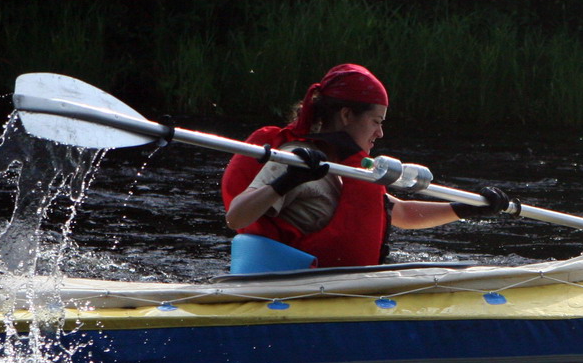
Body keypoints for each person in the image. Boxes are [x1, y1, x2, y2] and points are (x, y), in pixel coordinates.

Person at [221, 64, 517, 270]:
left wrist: (466, 209)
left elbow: (400, 213)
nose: (380, 133)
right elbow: (236, 217)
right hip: (296, 292)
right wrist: (286, 181)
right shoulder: (296, 159)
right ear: (347, 115)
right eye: (376, 121)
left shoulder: (345, 168)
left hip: (336, 287)